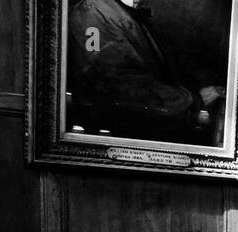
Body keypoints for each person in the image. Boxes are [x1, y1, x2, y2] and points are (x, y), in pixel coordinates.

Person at [66, 0, 225, 145]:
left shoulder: (136, 16)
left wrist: (217, 86)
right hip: (112, 142)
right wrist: (194, 102)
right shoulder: (90, 14)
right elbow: (117, 85)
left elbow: (170, 68)